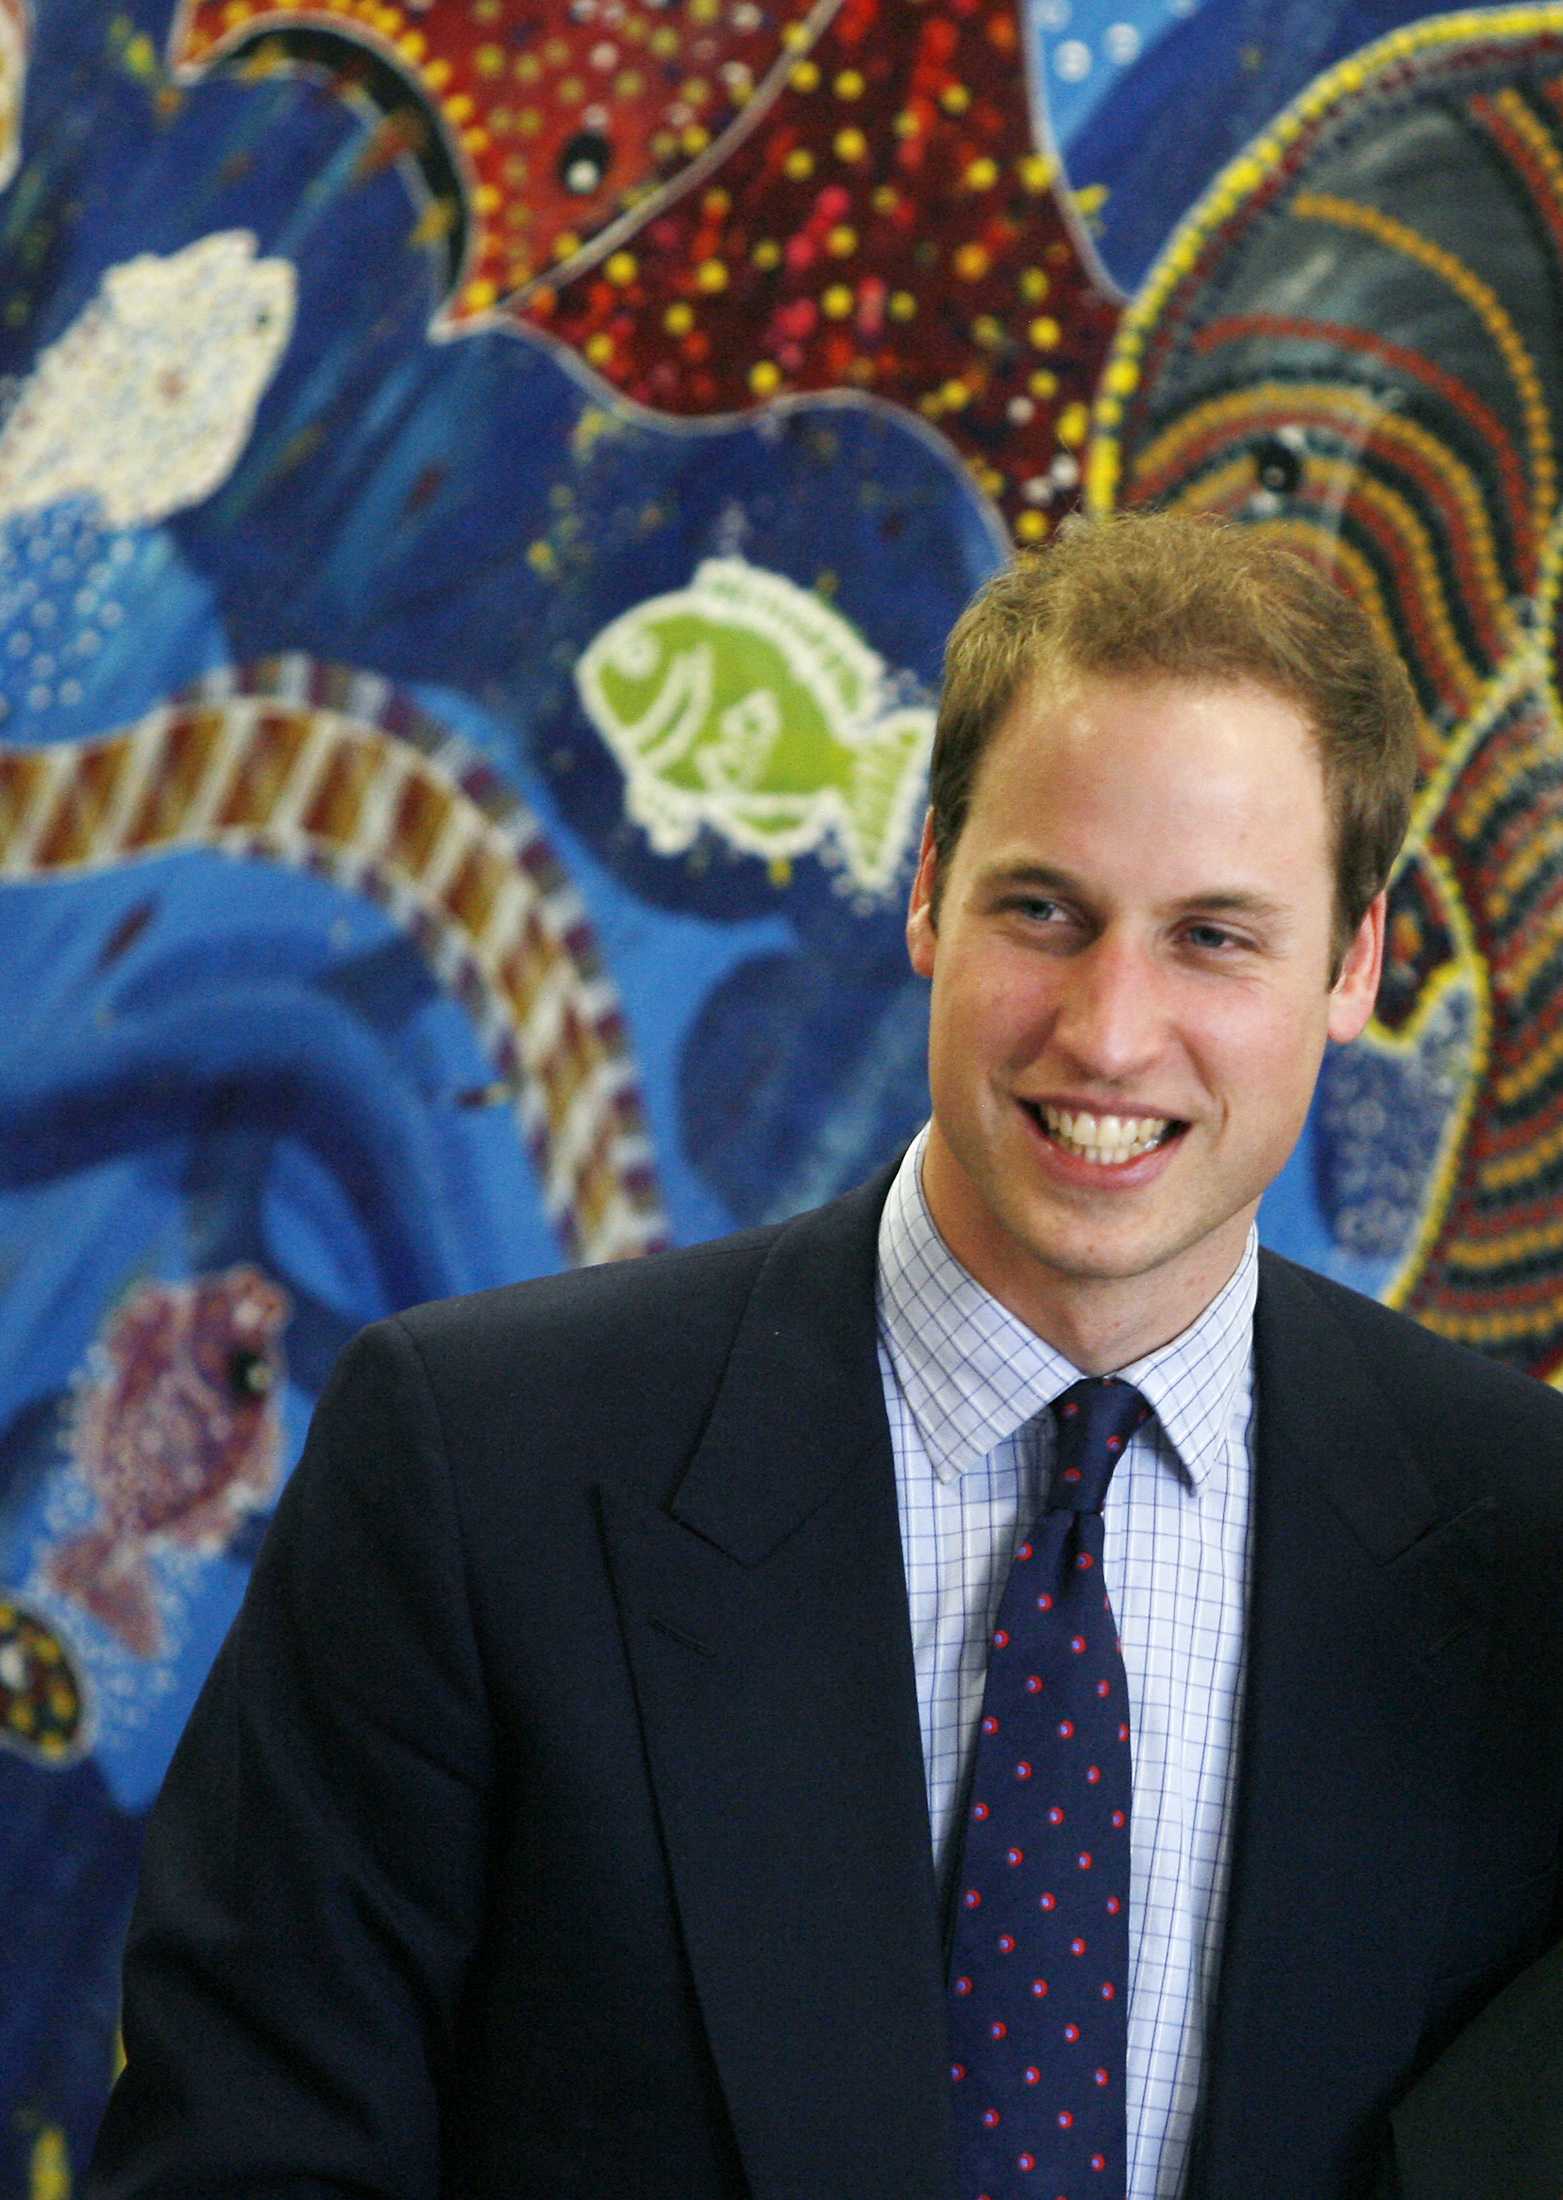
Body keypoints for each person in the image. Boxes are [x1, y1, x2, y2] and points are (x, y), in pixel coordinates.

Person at [85, 514, 1563, 2200]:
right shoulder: (475, 1468)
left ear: (1354, 965)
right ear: (927, 887)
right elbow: (249, 2163)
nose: (1110, 1028)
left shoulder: (1529, 1552)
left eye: (1216, 937)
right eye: (1045, 908)